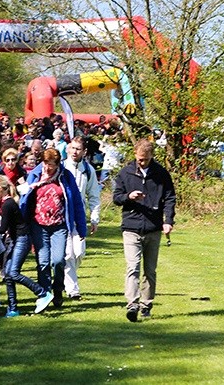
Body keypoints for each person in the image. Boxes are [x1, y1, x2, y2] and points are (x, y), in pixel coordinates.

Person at [113, 139, 175, 322]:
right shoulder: (125, 173)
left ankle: (146, 304)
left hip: (153, 227)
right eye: (140, 159)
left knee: (150, 270)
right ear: (135, 155)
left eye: (146, 159)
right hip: (131, 226)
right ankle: (132, 304)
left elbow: (170, 198)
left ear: (151, 156)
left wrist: (168, 221)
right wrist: (128, 197)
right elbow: (116, 198)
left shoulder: (161, 174)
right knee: (132, 267)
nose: (143, 162)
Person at [19, 148, 87, 308]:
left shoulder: (65, 176)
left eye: (52, 165)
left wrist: (81, 228)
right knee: (43, 262)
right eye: (46, 164)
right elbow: (24, 200)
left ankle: (57, 289)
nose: (48, 168)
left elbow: (76, 202)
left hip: (59, 225)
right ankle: (44, 294)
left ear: (58, 164)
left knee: (58, 261)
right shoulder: (35, 176)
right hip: (38, 224)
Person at [0, 176, 53, 317]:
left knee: (13, 273)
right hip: (16, 239)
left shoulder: (8, 204)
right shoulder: (6, 203)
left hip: (22, 239)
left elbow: (2, 229)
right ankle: (13, 308)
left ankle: (42, 293)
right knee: (7, 274)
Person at [62, 137, 101, 300]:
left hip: (79, 216)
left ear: (84, 152)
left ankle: (65, 279)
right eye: (72, 148)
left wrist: (94, 217)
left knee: (79, 252)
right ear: (68, 149)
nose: (75, 151)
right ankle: (72, 289)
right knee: (68, 254)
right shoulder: (62, 167)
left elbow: (93, 195)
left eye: (78, 149)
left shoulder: (88, 169)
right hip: (62, 215)